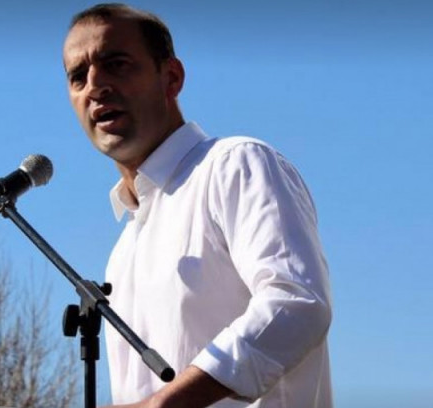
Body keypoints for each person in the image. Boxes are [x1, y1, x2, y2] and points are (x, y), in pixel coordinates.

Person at [63, 3, 333, 408]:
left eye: (116, 64)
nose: (95, 86)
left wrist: (167, 403)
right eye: (77, 76)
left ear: (171, 77)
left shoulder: (235, 164)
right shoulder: (123, 250)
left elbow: (296, 303)